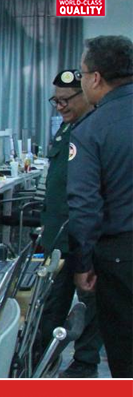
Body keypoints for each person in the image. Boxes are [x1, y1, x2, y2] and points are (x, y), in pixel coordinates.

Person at [67, 35, 133, 379]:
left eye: (81, 74)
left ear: (96, 78)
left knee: (125, 351)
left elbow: (84, 206)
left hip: (121, 258)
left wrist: (82, 263)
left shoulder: (92, 129)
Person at [37, 68, 102, 377]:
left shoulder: (94, 129)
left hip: (83, 234)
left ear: (86, 94)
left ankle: (84, 364)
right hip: (58, 236)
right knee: (52, 303)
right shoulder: (66, 128)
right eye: (56, 101)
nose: (60, 106)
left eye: (66, 100)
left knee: (89, 302)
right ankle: (43, 361)